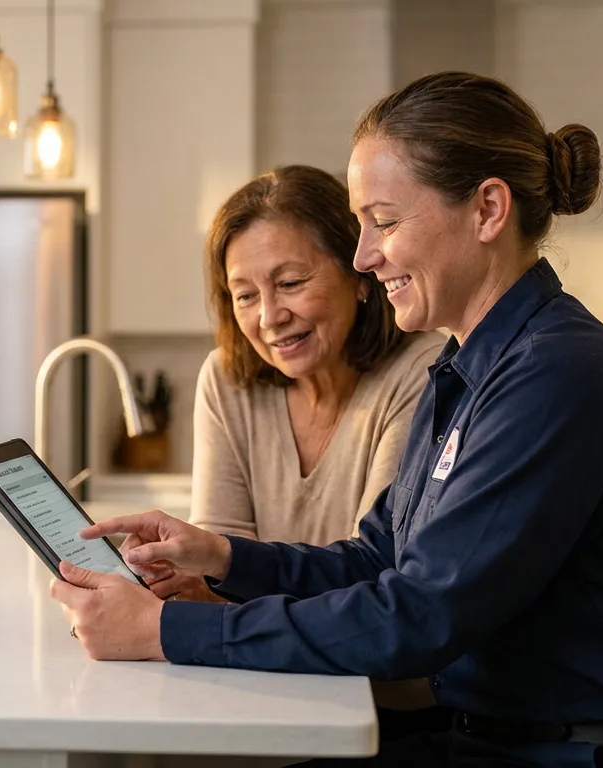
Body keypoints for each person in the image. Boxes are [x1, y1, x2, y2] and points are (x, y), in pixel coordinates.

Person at [48, 70, 603, 767]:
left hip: (598, 753)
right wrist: (221, 556)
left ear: (488, 210)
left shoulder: (558, 374)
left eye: (385, 221)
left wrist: (165, 630)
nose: (364, 255)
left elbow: (418, 615)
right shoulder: (464, 371)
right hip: (500, 740)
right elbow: (377, 559)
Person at [165, 165, 443, 601]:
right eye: (245, 295)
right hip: (261, 656)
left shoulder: (421, 371)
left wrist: (228, 580)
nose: (269, 317)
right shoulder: (225, 381)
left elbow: (371, 574)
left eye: (290, 283)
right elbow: (217, 560)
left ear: (358, 276)